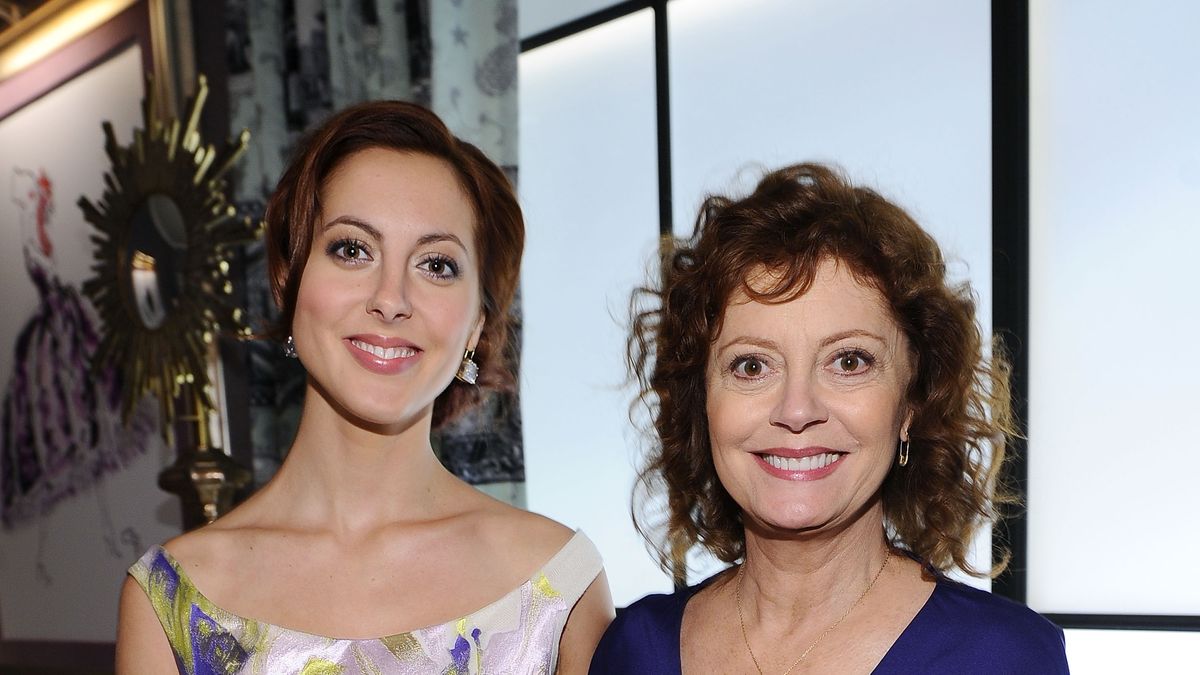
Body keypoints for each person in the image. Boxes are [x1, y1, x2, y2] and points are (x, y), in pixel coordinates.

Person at [116, 101, 613, 674]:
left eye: (437, 265)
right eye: (353, 249)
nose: (391, 298)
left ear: (476, 325)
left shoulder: (559, 585)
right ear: (290, 281)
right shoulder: (172, 600)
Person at [590, 164, 1068, 673]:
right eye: (752, 366)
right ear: (701, 402)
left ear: (911, 403)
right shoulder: (633, 650)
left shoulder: (1005, 656)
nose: (797, 410)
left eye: (849, 362)